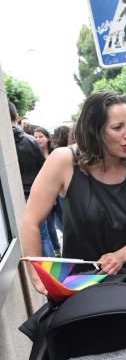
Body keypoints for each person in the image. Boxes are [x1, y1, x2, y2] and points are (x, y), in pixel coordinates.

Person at [21, 90, 126, 294]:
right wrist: (35, 275)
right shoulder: (64, 161)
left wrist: (120, 256)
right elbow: (30, 220)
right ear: (94, 130)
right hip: (78, 287)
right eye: (117, 127)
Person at [8, 101, 54, 257]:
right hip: (37, 196)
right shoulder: (31, 141)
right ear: (17, 117)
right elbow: (44, 170)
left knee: (27, 240)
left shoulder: (5, 145)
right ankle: (53, 274)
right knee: (44, 236)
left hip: (15, 200)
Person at [34, 126, 61, 256]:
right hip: (47, 197)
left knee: (62, 223)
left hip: (60, 196)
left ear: (47, 138)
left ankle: (59, 250)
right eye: (36, 137)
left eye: (41, 136)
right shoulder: (34, 153)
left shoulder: (55, 154)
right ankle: (56, 252)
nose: (38, 139)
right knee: (49, 227)